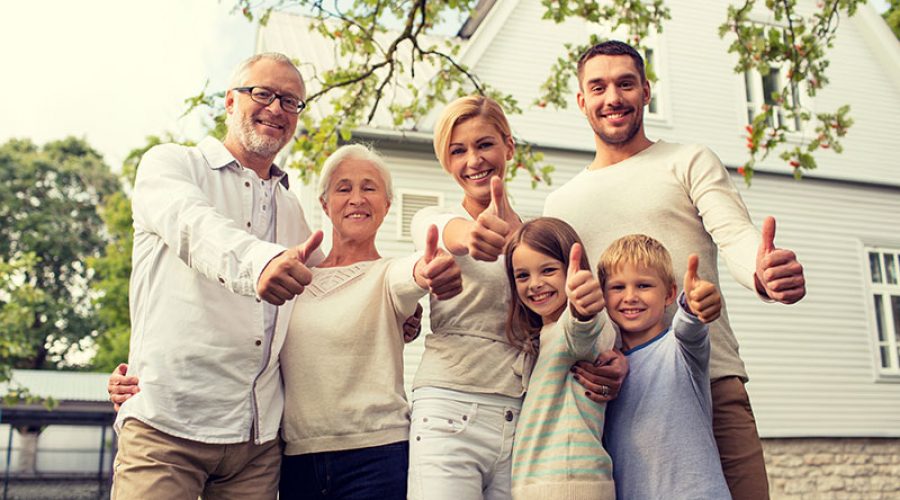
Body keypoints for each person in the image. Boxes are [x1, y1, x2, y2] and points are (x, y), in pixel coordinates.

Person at [542, 40, 807, 500]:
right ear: (582, 100)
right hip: (613, 401)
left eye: (625, 84)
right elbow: (557, 306)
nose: (613, 98)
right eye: (598, 87)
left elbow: (736, 235)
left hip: (710, 380)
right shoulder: (561, 203)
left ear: (646, 91)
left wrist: (763, 272)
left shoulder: (688, 160)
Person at [110, 52, 325, 500]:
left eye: (290, 101)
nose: (276, 109)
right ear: (230, 101)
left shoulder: (293, 211)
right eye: (262, 93)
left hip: (257, 444)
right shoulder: (170, 165)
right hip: (166, 429)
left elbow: (331, 290)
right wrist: (260, 264)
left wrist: (396, 311)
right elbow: (196, 228)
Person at [408, 95, 624, 500]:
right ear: (446, 162)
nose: (473, 160)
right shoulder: (437, 223)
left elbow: (572, 319)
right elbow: (440, 230)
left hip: (523, 420)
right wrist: (470, 236)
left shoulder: (537, 239)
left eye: (484, 144)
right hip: (450, 409)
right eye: (458, 151)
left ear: (508, 146)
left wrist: (610, 355)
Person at [277, 144, 462, 498]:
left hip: (377, 458)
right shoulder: (295, 279)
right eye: (344, 188)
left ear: (386, 205)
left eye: (369, 188)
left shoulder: (388, 274)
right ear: (324, 204)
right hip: (298, 460)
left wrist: (430, 269)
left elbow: (414, 273)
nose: (357, 198)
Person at [599, 234, 730, 499]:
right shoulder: (607, 365)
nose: (630, 297)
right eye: (617, 287)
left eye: (643, 285)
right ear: (602, 295)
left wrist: (694, 306)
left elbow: (689, 327)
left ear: (669, 293)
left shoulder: (681, 349)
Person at [503, 218, 616, 500]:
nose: (535, 284)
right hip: (541, 486)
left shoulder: (575, 328)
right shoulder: (543, 337)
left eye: (549, 270)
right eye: (522, 276)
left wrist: (582, 308)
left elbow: (582, 330)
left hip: (569, 484)